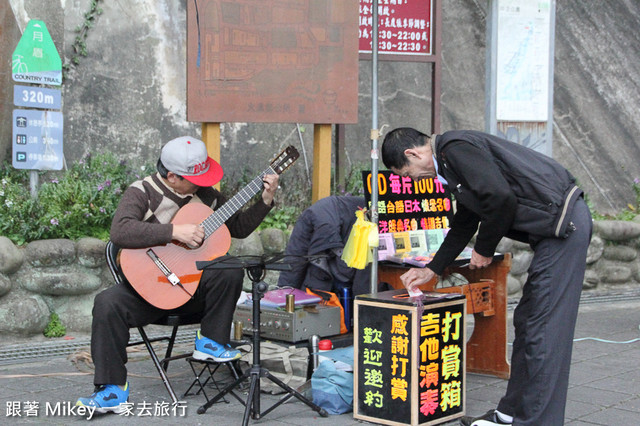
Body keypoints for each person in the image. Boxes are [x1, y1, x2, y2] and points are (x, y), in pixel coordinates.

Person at [381, 128, 592, 426]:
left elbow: (499, 196)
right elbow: (465, 220)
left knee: (544, 330)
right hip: (552, 232)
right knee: (528, 321)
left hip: (564, 228)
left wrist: (484, 249)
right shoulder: (452, 162)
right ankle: (510, 412)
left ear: (412, 154)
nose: (415, 180)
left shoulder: (453, 148)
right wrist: (432, 268)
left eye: (408, 173)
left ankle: (537, 421)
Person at [76, 136, 279, 413]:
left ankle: (211, 340)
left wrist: (266, 199)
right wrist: (173, 232)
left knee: (228, 266)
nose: (203, 183)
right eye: (195, 178)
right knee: (106, 303)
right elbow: (120, 231)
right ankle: (111, 389)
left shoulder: (206, 195)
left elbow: (239, 227)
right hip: (149, 293)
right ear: (171, 176)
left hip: (191, 293)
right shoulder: (142, 192)